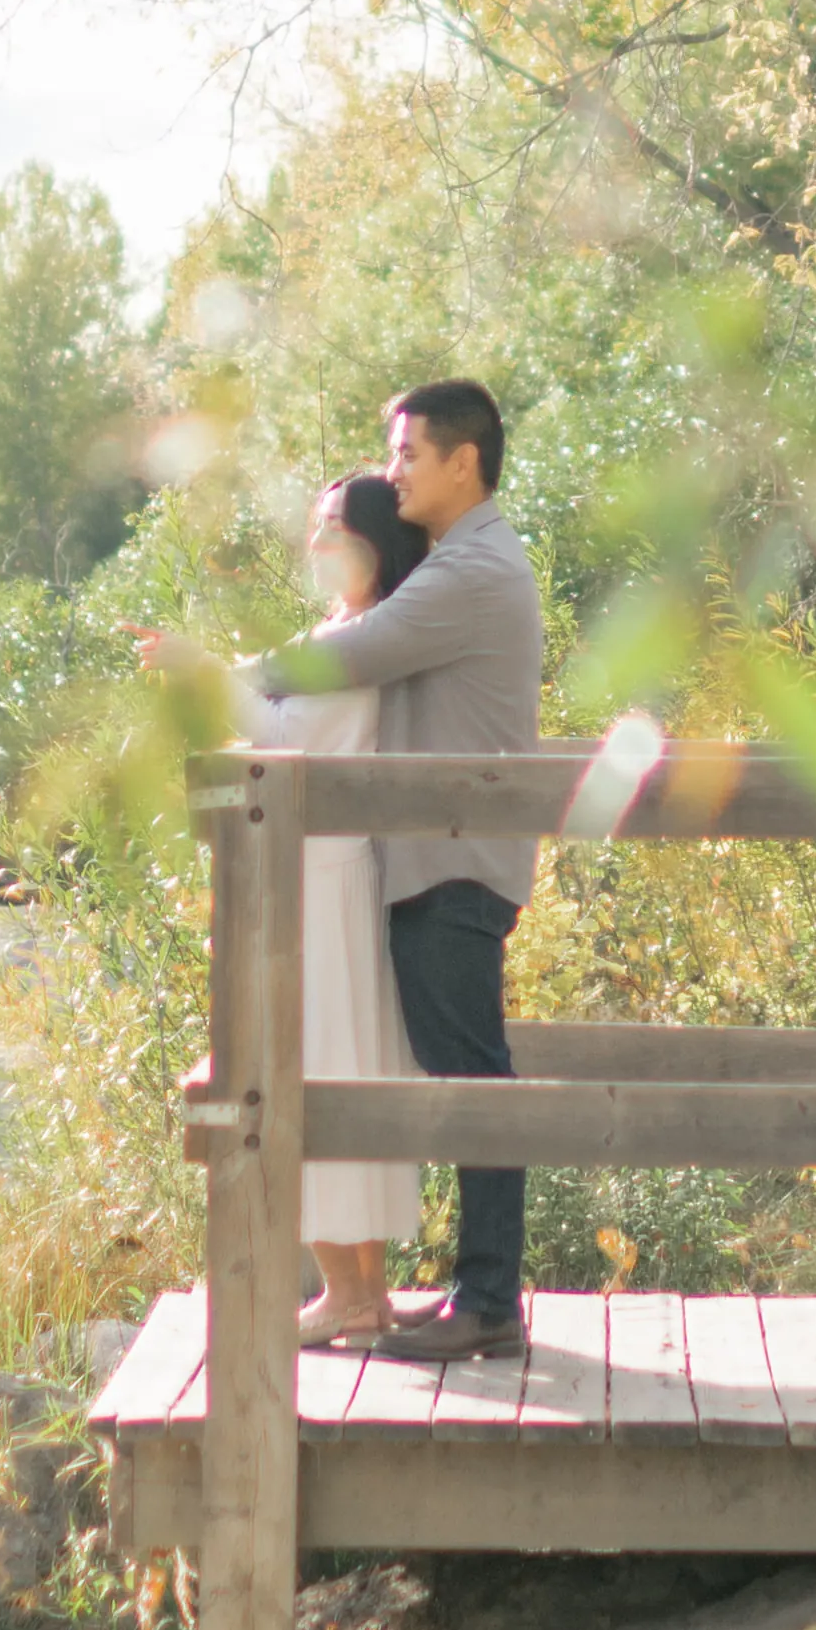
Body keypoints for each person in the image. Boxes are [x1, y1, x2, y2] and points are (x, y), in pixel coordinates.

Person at [245, 377, 541, 1354]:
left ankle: (489, 1303)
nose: (393, 470)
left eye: (408, 454)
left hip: (454, 854)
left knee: (472, 1079)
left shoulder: (473, 573)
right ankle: (476, 1294)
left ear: (465, 461)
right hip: (431, 853)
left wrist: (225, 676)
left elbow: (350, 655)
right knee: (459, 1075)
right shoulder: (457, 565)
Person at [255, 467, 423, 1349]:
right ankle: (351, 1289)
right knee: (322, 1055)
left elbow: (289, 743)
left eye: (333, 530)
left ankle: (354, 1291)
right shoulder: (336, 633)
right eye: (314, 529)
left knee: (328, 1059)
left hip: (329, 871)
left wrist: (212, 682)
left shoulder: (364, 642)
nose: (316, 545)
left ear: (372, 545)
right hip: (313, 870)